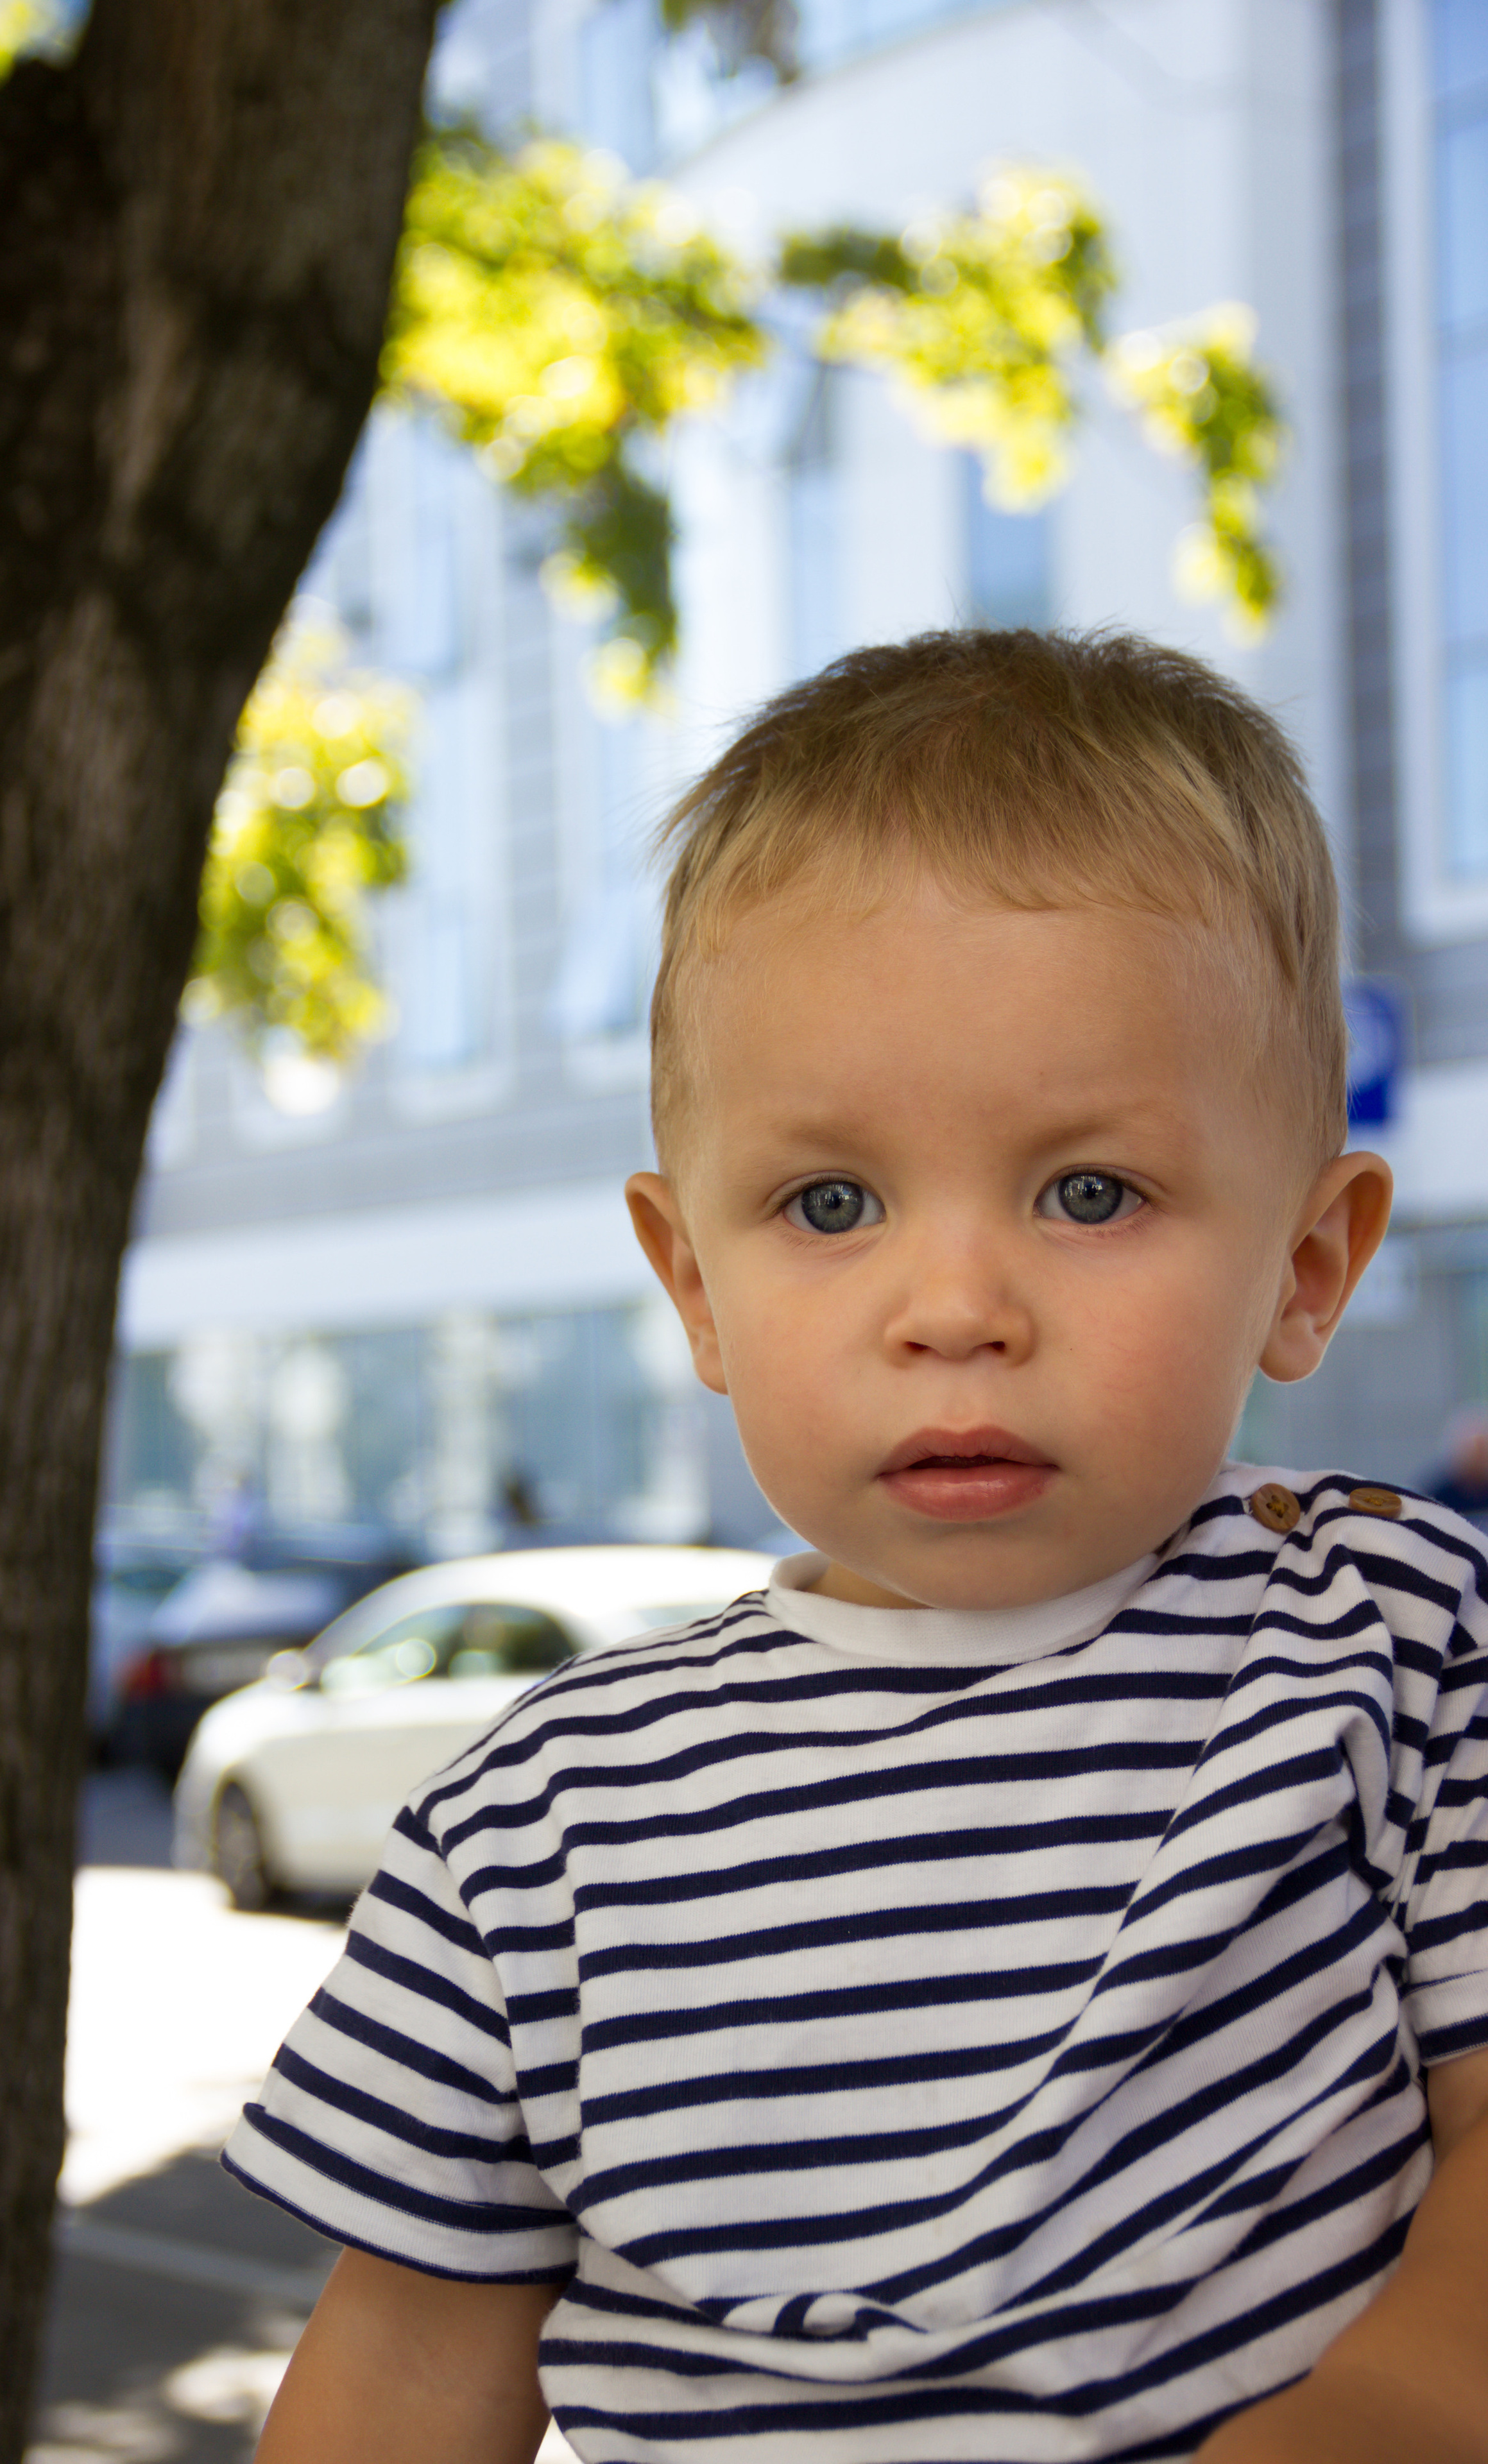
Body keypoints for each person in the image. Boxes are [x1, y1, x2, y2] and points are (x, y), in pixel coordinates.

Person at [228, 631, 1488, 2464]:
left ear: (1305, 1267)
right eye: (831, 1203)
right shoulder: (530, 1834)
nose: (956, 1306)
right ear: (696, 1288)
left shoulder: (1392, 1644)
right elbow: (403, 2375)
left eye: (1088, 1192)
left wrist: (1383, 2415)